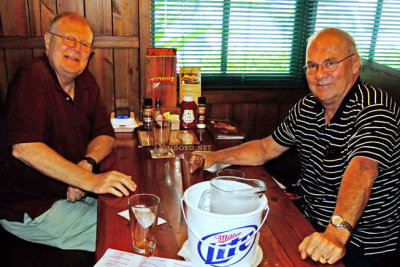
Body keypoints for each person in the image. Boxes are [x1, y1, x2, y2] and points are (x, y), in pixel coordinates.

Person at [203, 28, 400, 266]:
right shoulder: (308, 106)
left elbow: (362, 170)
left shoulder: (375, 109)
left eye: (330, 63)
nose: (320, 74)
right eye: (312, 66)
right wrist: (213, 156)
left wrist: (336, 234)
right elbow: (266, 148)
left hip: (360, 242)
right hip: (312, 220)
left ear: (355, 64)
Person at [0, 12, 136, 253]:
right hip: (31, 208)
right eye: (68, 39)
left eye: (84, 45)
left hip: (71, 193)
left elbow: (105, 133)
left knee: (139, 212)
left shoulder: (85, 81)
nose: (76, 49)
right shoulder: (32, 78)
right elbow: (25, 149)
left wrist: (85, 165)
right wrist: (88, 180)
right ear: (47, 41)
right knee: (129, 234)